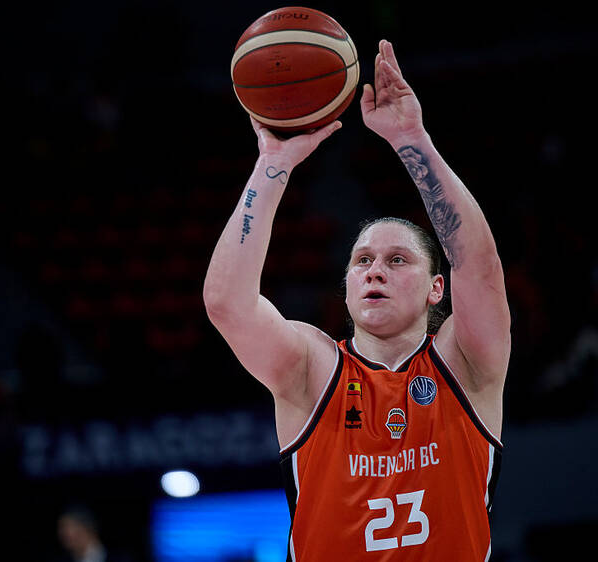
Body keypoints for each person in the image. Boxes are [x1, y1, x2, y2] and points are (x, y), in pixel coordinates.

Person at [203, 39, 510, 561]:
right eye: (362, 260)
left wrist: (411, 139)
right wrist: (272, 164)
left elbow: (478, 265)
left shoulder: (466, 362)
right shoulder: (312, 368)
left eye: (398, 260)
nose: (375, 271)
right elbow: (226, 303)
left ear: (437, 288)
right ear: (346, 286)